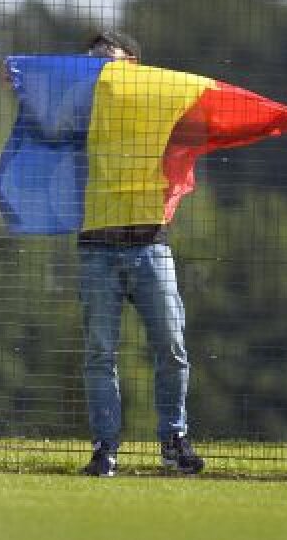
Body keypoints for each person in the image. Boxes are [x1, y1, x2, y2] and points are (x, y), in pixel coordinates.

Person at [76, 31, 203, 477]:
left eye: (108, 59)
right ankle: (104, 449)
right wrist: (19, 81)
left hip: (151, 245)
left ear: (135, 63)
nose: (99, 68)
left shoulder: (160, 107)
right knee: (99, 353)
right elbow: (40, 118)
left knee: (171, 345)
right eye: (91, 61)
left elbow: (208, 114)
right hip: (96, 247)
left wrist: (272, 117)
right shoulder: (80, 109)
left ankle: (174, 438)